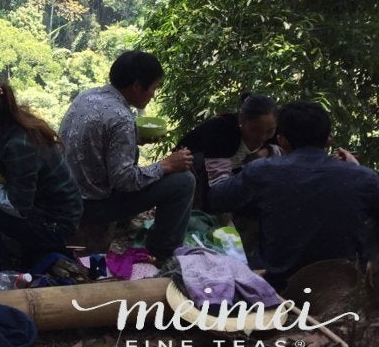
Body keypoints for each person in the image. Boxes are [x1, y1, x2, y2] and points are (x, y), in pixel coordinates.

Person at [210, 100, 379, 289]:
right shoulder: (365, 178)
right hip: (343, 285)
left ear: (282, 140)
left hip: (278, 285)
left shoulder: (262, 171)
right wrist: (356, 168)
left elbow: (218, 198)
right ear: (328, 139)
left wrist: (221, 167)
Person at [59, 50, 195, 261]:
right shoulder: (122, 118)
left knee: (137, 152)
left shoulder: (87, 95)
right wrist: (166, 165)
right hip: (90, 207)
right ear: (137, 86)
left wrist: (133, 139)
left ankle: (130, 229)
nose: (153, 95)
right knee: (184, 181)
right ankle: (162, 252)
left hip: (67, 193)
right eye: (153, 88)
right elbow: (124, 180)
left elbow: (97, 142)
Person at [0, 82, 83, 269]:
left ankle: (2, 267)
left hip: (55, 224)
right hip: (36, 208)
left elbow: (18, 206)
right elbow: (0, 171)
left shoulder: (20, 144)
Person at [177, 93, 280, 209]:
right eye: (255, 130)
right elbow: (218, 186)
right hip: (194, 171)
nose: (262, 137)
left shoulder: (275, 135)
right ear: (241, 118)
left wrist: (267, 151)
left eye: (270, 131)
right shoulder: (224, 131)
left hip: (230, 172)